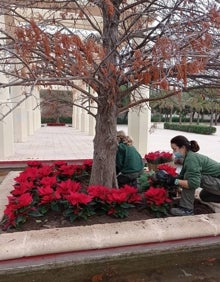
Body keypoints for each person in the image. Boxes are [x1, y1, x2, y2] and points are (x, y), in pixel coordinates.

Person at [156, 135, 220, 216]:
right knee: (204, 196)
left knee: (190, 179)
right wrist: (169, 178)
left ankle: (186, 209)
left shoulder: (191, 159)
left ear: (182, 147)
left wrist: (174, 181)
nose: (173, 152)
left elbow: (193, 183)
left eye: (174, 149)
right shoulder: (188, 157)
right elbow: (181, 176)